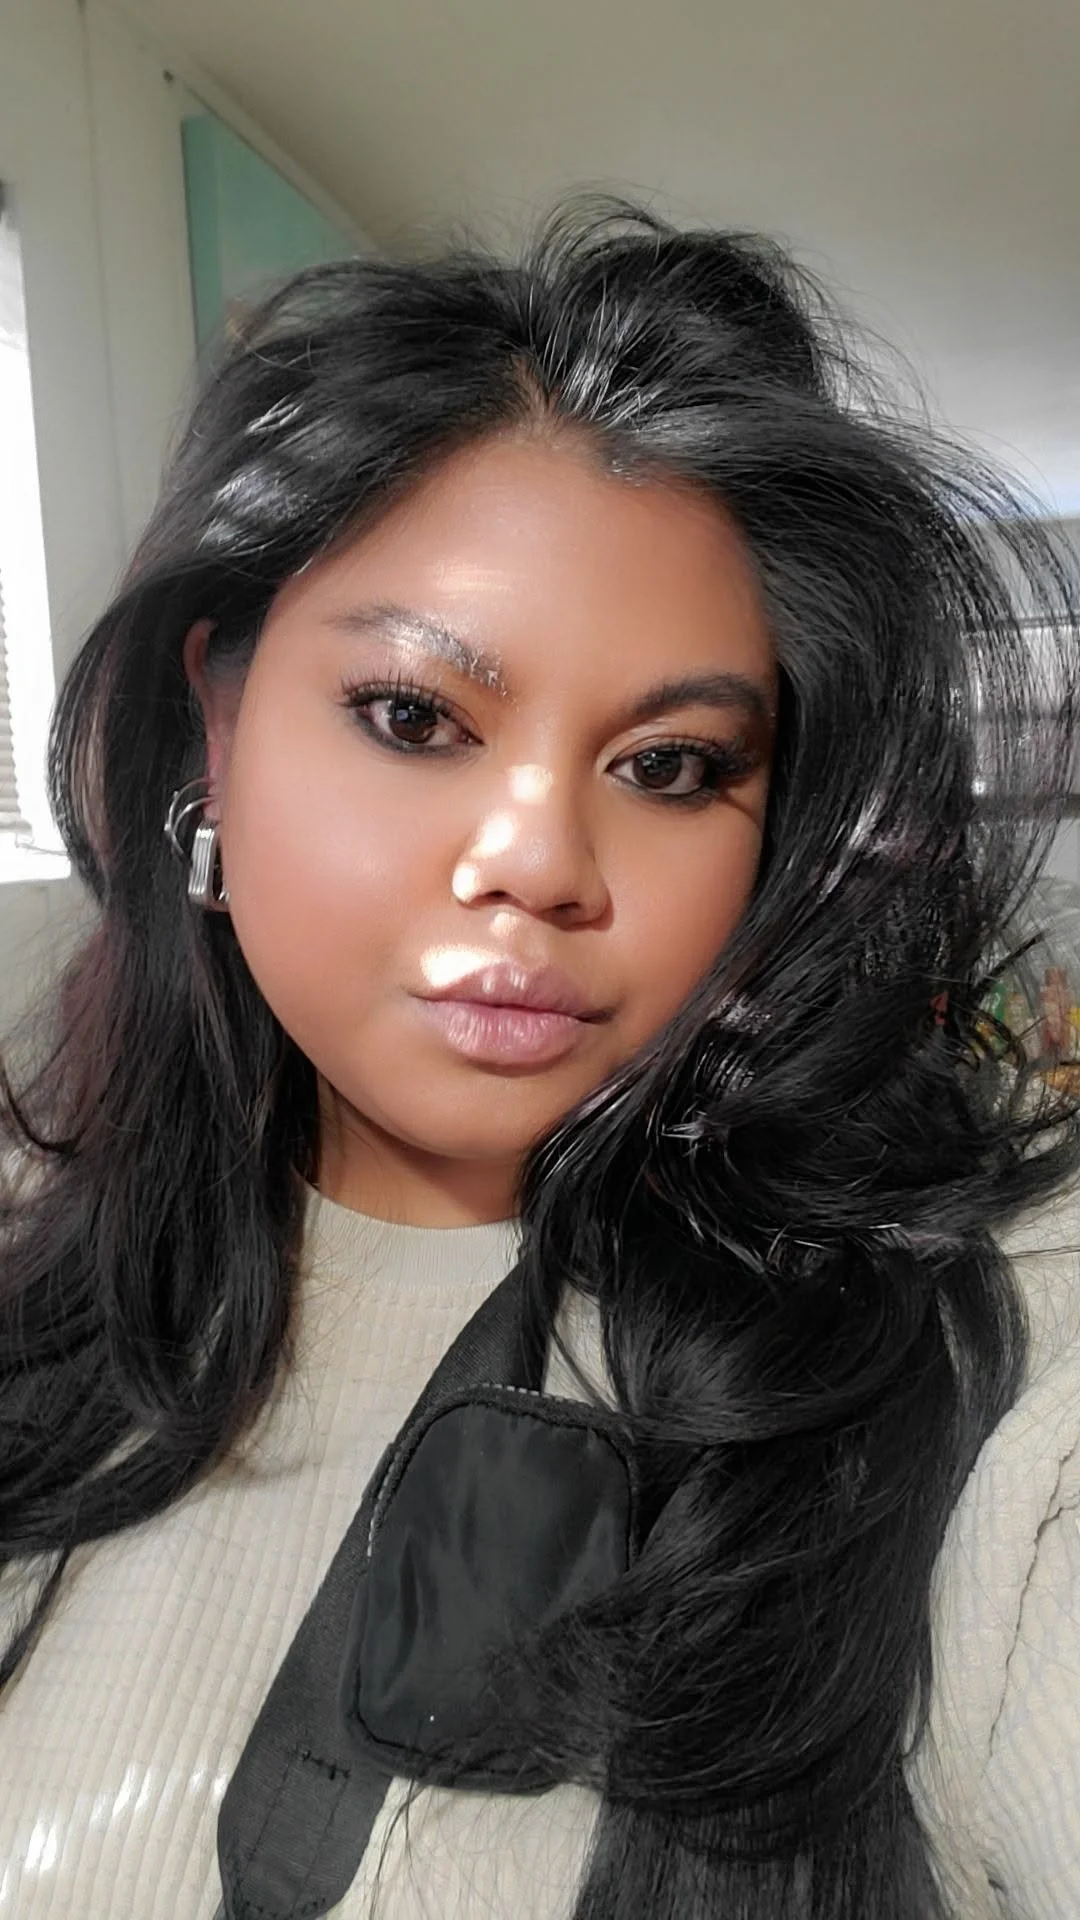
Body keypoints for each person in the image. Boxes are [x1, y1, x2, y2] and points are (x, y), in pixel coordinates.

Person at [0, 196, 1079, 1920]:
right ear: (218, 720)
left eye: (672, 767)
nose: (542, 864)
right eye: (415, 717)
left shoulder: (988, 1357)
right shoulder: (34, 1262)